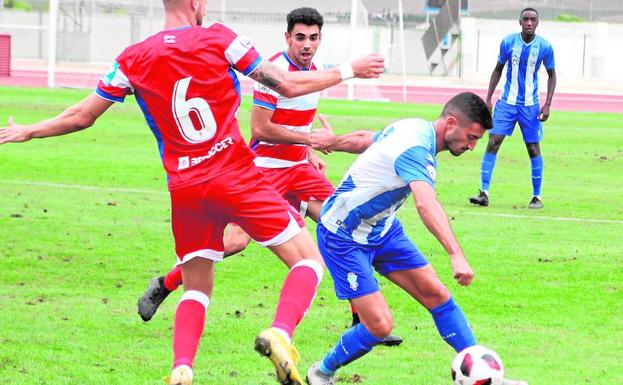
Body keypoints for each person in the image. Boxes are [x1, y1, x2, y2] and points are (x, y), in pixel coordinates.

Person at [0, 1, 385, 384]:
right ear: (196, 3)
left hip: (185, 188)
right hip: (235, 174)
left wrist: (29, 130)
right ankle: (280, 331)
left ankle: (181, 368)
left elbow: (82, 115)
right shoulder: (219, 38)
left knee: (198, 285)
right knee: (308, 260)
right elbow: (283, 82)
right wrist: (350, 70)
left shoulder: (130, 58)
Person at [136, 6, 403, 347]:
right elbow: (261, 128)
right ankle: (166, 283)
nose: (307, 44)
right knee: (234, 242)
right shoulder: (275, 73)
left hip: (299, 172)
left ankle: (362, 319)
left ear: (320, 39)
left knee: (343, 226)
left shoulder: (316, 72)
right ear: (288, 37)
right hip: (264, 172)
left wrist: (307, 153)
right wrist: (310, 140)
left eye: (313, 38)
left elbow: (299, 121)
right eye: (300, 38)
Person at [305, 92, 527, 385]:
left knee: (437, 295)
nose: (472, 146)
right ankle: (320, 372)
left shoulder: (413, 126)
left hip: (382, 230)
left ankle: (484, 377)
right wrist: (455, 253)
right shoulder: (416, 150)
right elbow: (426, 203)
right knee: (379, 326)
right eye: (471, 137)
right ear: (451, 123)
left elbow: (366, 138)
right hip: (343, 237)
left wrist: (333, 141)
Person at [469, 7, 556, 209]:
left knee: (533, 148)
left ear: (537, 23)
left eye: (532, 20)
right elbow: (498, 70)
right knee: (493, 141)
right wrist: (488, 98)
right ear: (520, 22)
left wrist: (548, 104)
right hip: (506, 103)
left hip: (530, 106)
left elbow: (552, 75)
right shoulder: (508, 42)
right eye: (525, 19)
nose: (529, 23)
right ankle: (484, 193)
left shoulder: (544, 47)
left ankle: (537, 197)